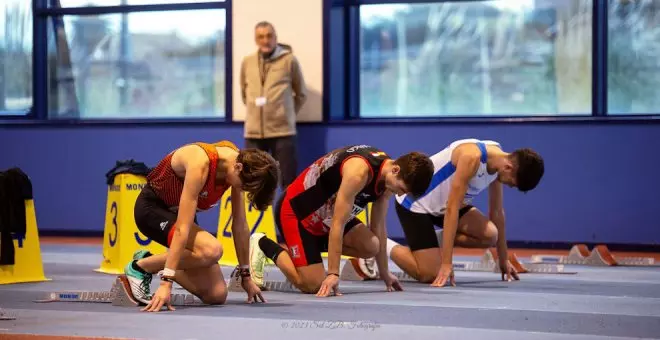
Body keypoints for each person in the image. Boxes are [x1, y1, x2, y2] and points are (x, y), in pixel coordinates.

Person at [352, 139, 544, 287]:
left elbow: (497, 212)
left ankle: (429, 245)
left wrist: (503, 259)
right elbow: (452, 208)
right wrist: (446, 263)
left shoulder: (499, 164)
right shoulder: (472, 157)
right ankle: (383, 245)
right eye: (512, 183)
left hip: (443, 208)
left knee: (490, 235)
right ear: (509, 168)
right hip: (416, 204)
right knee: (429, 274)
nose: (509, 185)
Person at [246, 145, 435, 297]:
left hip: (325, 217)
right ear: (395, 169)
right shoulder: (358, 172)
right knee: (313, 285)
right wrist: (333, 273)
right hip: (296, 213)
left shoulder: (387, 180)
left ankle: (308, 253)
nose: (401, 194)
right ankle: (263, 244)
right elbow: (338, 223)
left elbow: (378, 226)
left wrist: (385, 273)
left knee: (371, 246)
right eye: (402, 188)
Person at [120, 140, 280, 312]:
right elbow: (182, 228)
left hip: (179, 216)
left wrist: (246, 276)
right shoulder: (200, 163)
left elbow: (240, 225)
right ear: (238, 167)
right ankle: (140, 267)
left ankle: (151, 259)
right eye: (244, 186)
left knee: (216, 294)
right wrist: (166, 282)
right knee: (212, 250)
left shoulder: (239, 165)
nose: (242, 189)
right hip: (152, 211)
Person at [240, 21, 307, 189]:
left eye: (269, 36)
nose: (265, 40)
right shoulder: (247, 62)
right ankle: (255, 215)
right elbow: (244, 92)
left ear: (275, 37)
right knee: (253, 181)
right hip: (254, 133)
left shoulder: (289, 60)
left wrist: (286, 114)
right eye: (261, 37)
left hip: (283, 132)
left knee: (288, 182)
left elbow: (301, 94)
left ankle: (286, 215)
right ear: (256, 40)